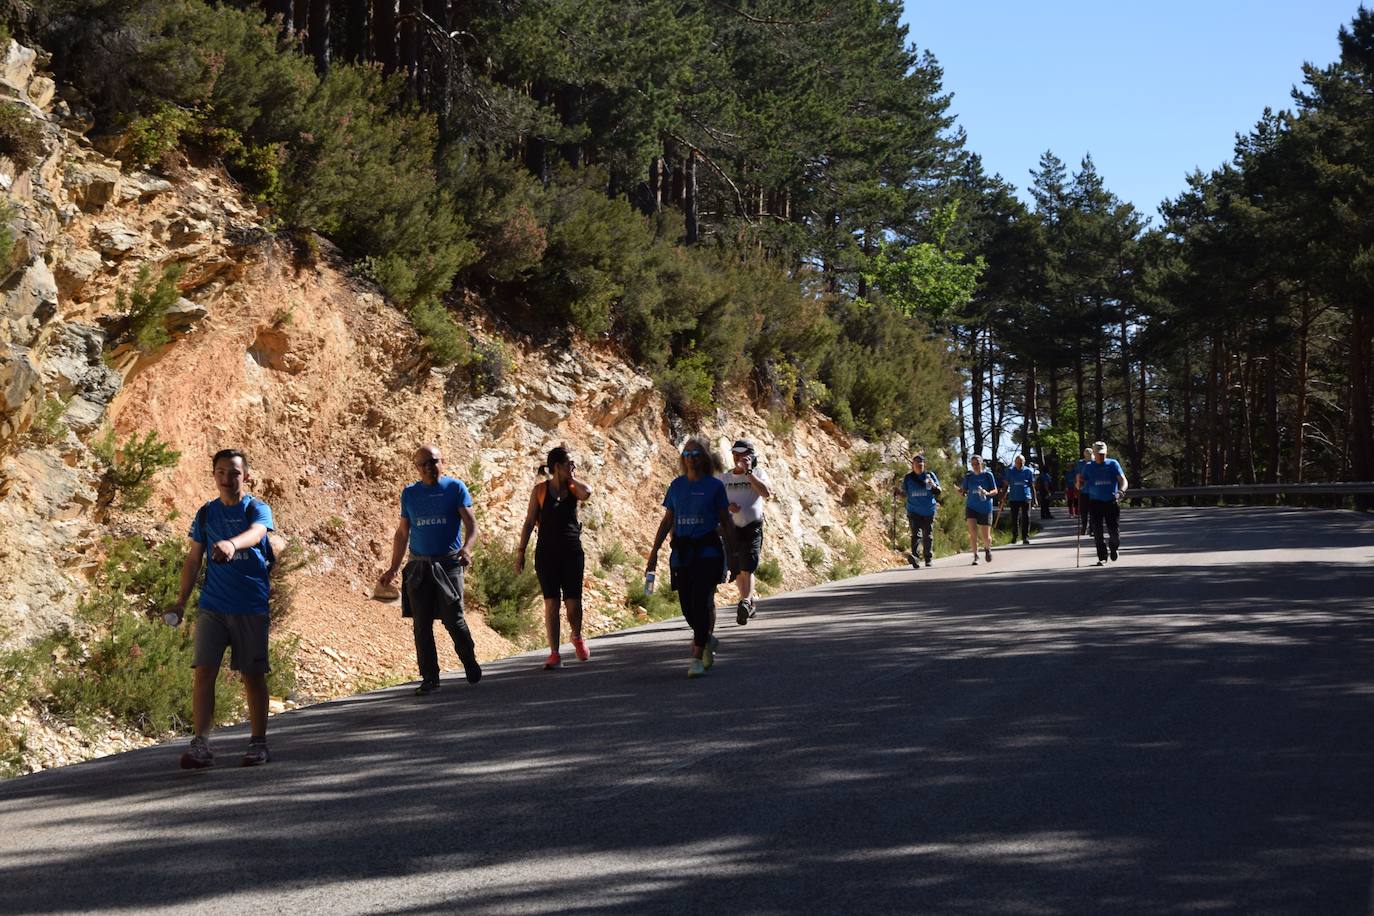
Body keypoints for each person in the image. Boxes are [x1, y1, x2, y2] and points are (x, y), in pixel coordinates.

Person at [167, 449, 277, 769]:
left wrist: (232, 544)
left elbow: (258, 533)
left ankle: (258, 743)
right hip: (212, 606)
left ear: (247, 476)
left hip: (250, 605)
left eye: (235, 473)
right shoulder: (205, 514)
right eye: (221, 473)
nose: (228, 480)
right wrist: (182, 601)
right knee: (203, 672)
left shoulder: (257, 508)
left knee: (253, 675)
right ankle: (201, 743)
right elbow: (193, 559)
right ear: (213, 475)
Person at [378, 445, 482, 695]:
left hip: (449, 564)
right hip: (418, 566)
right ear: (416, 468)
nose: (428, 468)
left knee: (453, 619)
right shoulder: (410, 494)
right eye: (422, 464)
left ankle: (469, 660)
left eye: (433, 462)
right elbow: (403, 532)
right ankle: (430, 677)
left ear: (442, 462)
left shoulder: (455, 488)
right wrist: (393, 567)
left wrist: (467, 548)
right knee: (421, 624)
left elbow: (472, 524)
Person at [646, 437, 738, 678]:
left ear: (705, 458)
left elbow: (726, 522)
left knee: (703, 600)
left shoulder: (715, 487)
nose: (691, 459)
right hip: (682, 553)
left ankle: (696, 657)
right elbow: (668, 520)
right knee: (687, 606)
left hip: (708, 552)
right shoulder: (676, 486)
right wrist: (654, 552)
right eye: (686, 455)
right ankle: (706, 637)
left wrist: (734, 554)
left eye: (696, 454)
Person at [516, 446, 592, 669]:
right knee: (551, 603)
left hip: (572, 552)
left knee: (573, 603)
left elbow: (587, 493)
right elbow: (529, 522)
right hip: (546, 554)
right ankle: (554, 653)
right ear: (557, 466)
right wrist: (520, 553)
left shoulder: (572, 488)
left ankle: (577, 636)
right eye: (569, 463)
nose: (573, 466)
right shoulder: (539, 491)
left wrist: (572, 477)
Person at [719, 439, 771, 625]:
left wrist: (749, 472)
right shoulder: (724, 478)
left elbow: (765, 493)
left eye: (741, 454)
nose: (737, 458)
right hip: (731, 530)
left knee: (747, 566)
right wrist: (726, 506)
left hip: (751, 527)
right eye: (735, 454)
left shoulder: (758, 473)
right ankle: (748, 602)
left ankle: (746, 601)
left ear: (751, 456)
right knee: (738, 568)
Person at [1077, 440, 1129, 566]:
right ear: (1094, 453)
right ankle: (1102, 557)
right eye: (1099, 454)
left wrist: (1121, 491)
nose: (1101, 456)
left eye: (1103, 454)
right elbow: (1080, 486)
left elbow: (1123, 480)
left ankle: (1113, 547)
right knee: (1097, 531)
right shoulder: (1088, 467)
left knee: (1114, 533)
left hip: (1111, 501)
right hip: (1095, 502)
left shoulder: (1113, 464)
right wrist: (1079, 481)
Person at [897, 453, 940, 568]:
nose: (919, 465)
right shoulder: (908, 478)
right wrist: (898, 493)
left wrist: (933, 486)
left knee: (927, 535)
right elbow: (904, 493)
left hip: (929, 510)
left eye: (921, 463)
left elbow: (939, 491)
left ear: (924, 464)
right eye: (917, 463)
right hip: (913, 510)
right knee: (915, 534)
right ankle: (915, 557)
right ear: (913, 465)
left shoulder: (930, 476)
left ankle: (928, 558)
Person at [958, 455, 998, 565]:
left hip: (985, 507)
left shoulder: (988, 475)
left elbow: (995, 490)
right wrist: (960, 491)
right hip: (971, 507)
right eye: (973, 464)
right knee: (973, 533)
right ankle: (975, 556)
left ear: (982, 463)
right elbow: (964, 490)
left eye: (977, 464)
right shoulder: (969, 476)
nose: (975, 466)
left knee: (986, 537)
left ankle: (987, 549)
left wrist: (987, 493)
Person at [1001, 453, 1036, 545]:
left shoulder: (1028, 471)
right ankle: (1015, 536)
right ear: (1015, 463)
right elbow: (1005, 484)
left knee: (1026, 517)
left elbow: (1032, 486)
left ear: (1024, 463)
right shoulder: (1010, 471)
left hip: (1026, 497)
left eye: (1021, 463)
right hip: (1014, 498)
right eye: (1017, 463)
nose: (1019, 465)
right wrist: (1002, 496)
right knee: (1014, 518)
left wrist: (1034, 499)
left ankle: (1025, 537)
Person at [1074, 447, 1094, 535]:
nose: (1088, 457)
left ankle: (1092, 528)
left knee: (1093, 511)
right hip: (1083, 490)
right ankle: (1084, 527)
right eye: (1087, 455)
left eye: (1089, 455)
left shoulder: (1094, 463)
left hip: (1093, 491)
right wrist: (1077, 485)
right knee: (1083, 511)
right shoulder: (1080, 463)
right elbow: (1078, 475)